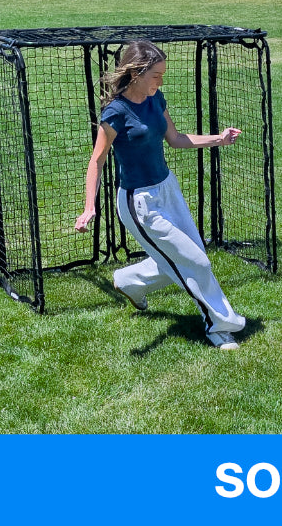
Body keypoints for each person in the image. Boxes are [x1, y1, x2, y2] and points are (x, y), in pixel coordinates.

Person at [75, 40, 246, 350]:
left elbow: (176, 138)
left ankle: (128, 282)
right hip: (139, 203)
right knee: (197, 262)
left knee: (181, 258)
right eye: (156, 75)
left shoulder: (156, 99)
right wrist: (89, 207)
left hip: (168, 189)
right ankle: (219, 325)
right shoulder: (115, 113)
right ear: (137, 73)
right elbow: (96, 161)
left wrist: (218, 139)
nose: (161, 81)